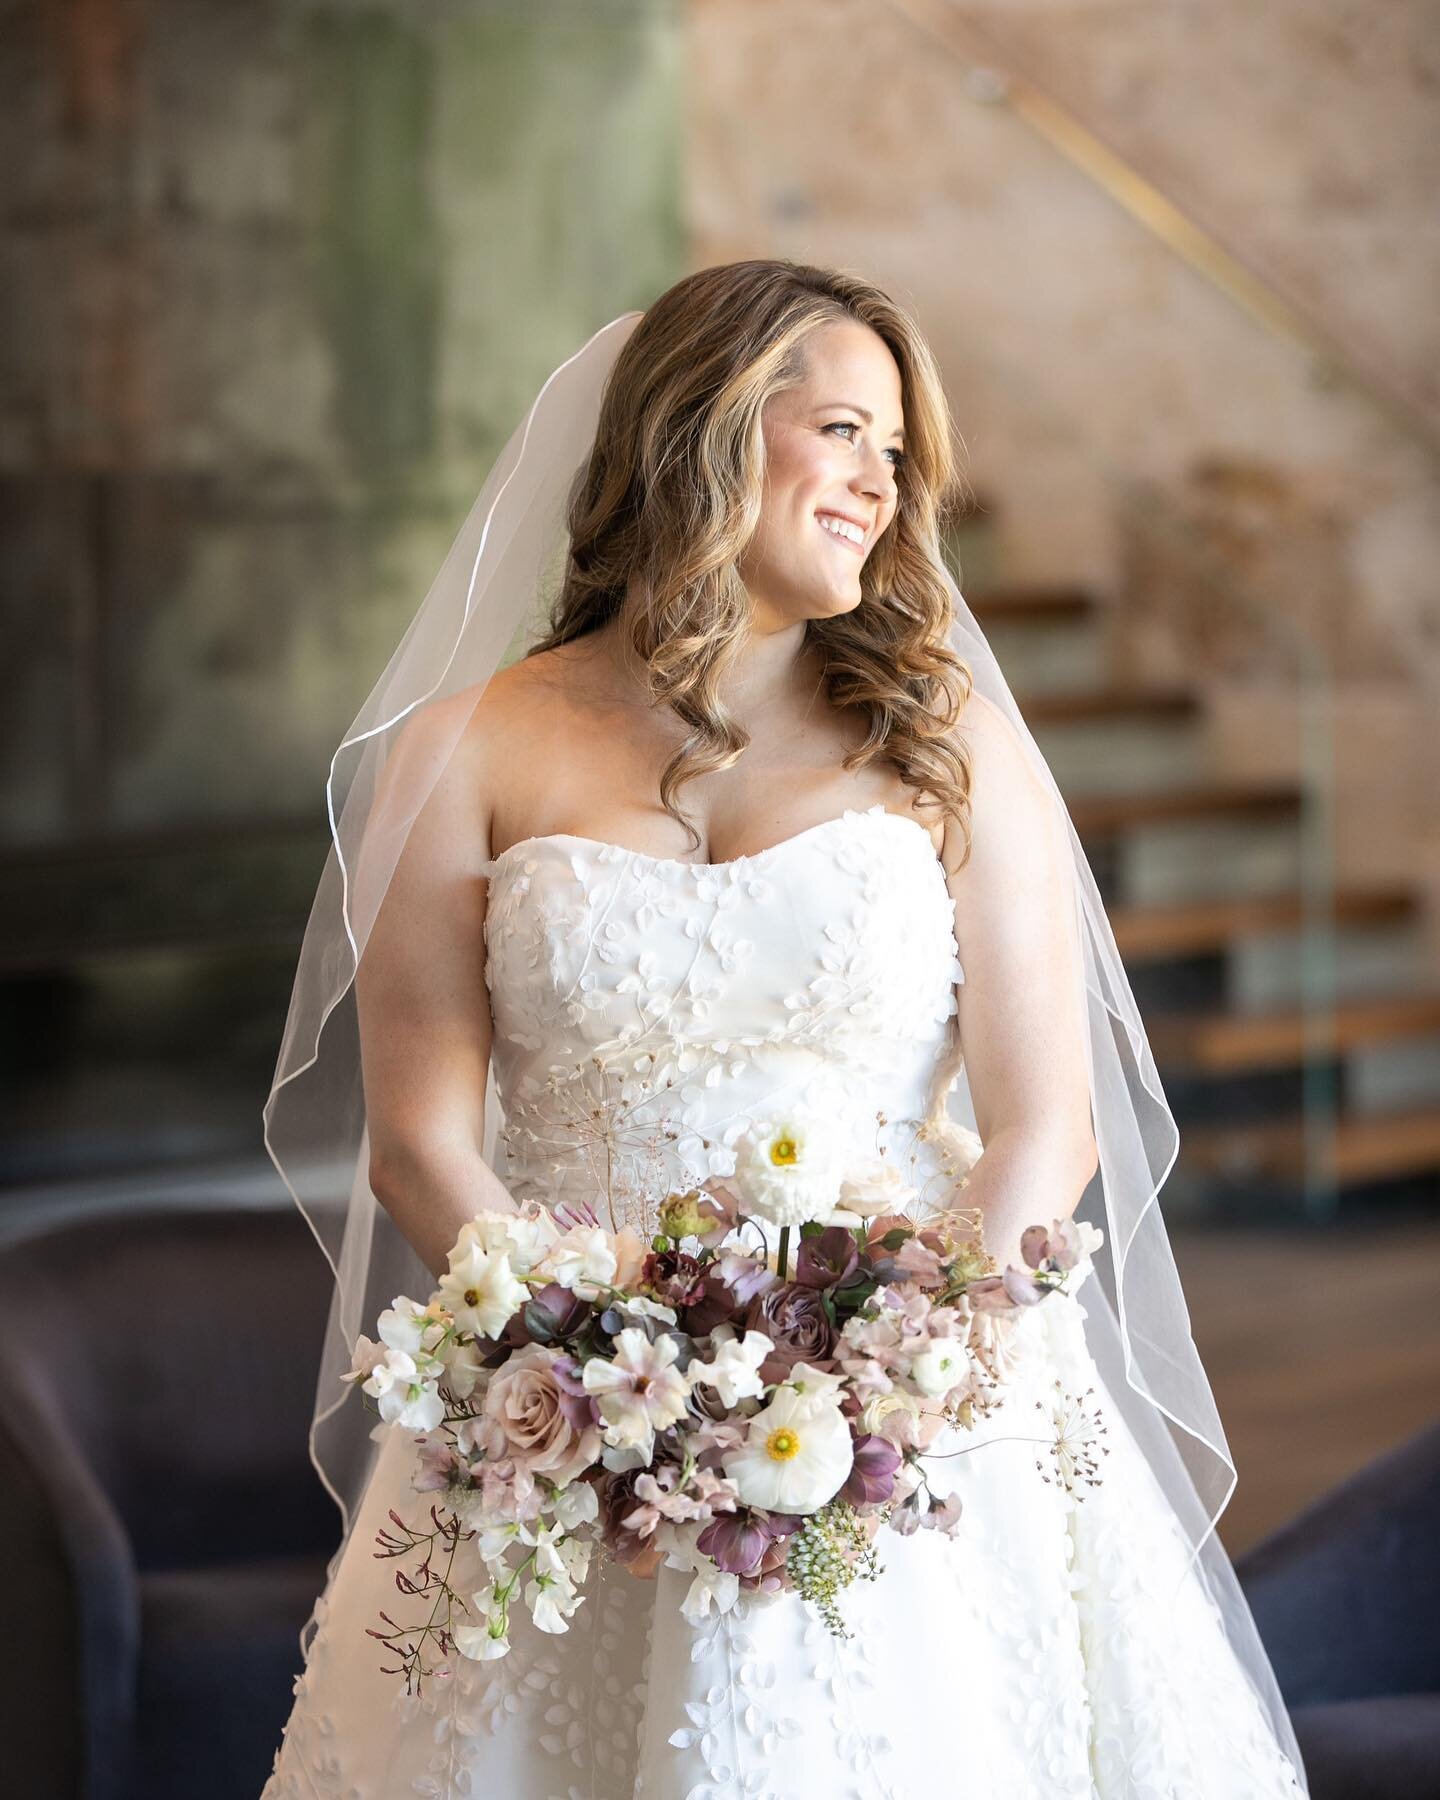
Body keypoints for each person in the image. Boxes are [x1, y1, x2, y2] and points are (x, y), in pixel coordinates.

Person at [261, 260, 1309, 1796]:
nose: (883, 486)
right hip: (564, 1424)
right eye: (844, 432)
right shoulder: (463, 751)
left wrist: (897, 1372)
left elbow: (1045, 1128)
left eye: (900, 454)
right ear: (702, 434)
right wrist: (592, 1355)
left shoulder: (955, 755)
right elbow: (419, 1139)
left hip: (921, 1428)